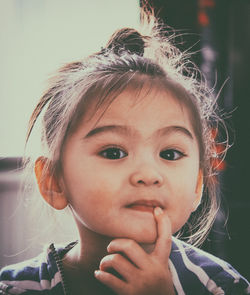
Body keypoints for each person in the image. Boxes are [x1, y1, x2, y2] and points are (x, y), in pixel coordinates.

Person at [0, 10, 249, 295]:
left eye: (170, 154)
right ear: (54, 181)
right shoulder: (16, 287)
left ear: (197, 186)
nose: (148, 175)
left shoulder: (219, 285)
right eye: (114, 152)